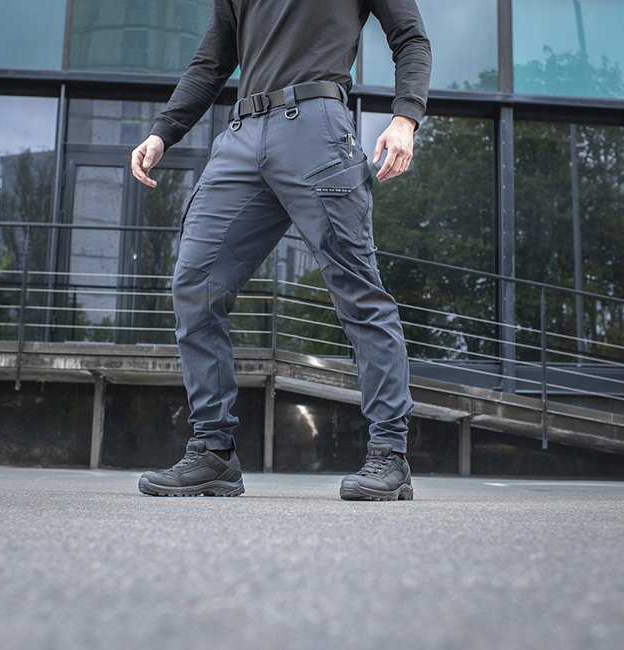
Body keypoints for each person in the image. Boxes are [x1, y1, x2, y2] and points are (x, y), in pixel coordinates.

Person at [131, 0, 431, 500]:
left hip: (317, 129)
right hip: (241, 136)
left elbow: (411, 38)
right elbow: (211, 62)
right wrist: (164, 131)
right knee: (195, 285)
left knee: (358, 293)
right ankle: (213, 451)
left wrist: (406, 117)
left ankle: (389, 454)